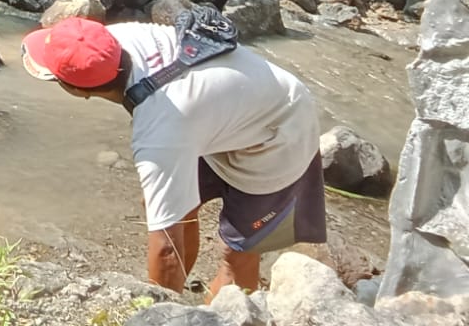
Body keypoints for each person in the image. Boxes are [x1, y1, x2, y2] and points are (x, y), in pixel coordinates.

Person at [20, 15, 325, 298]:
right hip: (218, 114)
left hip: (280, 130)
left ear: (77, 90)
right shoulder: (110, 44)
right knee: (167, 206)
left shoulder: (159, 132)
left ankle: (233, 313)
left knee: (238, 253)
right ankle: (183, 293)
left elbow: (166, 248)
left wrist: (157, 313)